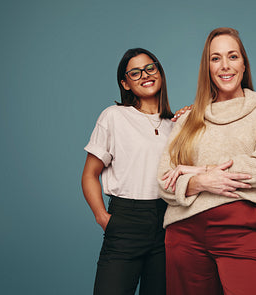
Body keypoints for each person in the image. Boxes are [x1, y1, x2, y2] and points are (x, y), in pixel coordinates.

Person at [157, 27, 256, 295]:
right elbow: (164, 181)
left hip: (243, 230)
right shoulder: (188, 118)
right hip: (184, 233)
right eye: (215, 58)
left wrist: (199, 171)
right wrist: (202, 182)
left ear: (244, 63)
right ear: (207, 67)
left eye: (232, 56)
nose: (225, 66)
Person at [81, 48, 174, 295]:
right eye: (135, 72)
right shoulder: (114, 117)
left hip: (167, 223)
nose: (145, 74)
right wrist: (103, 218)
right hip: (126, 221)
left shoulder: (175, 124)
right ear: (125, 83)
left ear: (159, 71)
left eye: (150, 67)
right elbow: (90, 174)